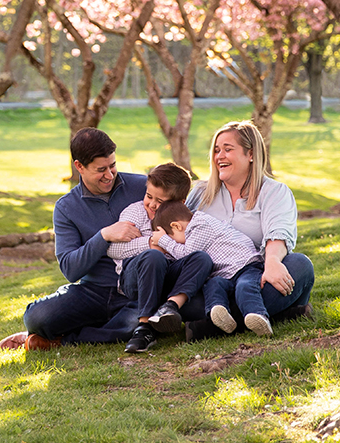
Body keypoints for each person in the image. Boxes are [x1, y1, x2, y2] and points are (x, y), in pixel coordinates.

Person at [0, 128, 198, 350]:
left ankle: (61, 340)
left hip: (138, 288)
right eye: (100, 170)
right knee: (37, 318)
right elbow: (70, 270)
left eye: (112, 166)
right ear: (79, 167)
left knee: (138, 324)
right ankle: (77, 327)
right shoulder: (66, 208)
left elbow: (180, 218)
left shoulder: (143, 187)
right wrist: (104, 235)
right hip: (94, 291)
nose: (110, 175)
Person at [184, 121, 314, 336]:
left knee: (300, 265)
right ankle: (273, 314)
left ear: (250, 154)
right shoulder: (200, 192)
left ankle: (208, 324)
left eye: (228, 149)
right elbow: (178, 230)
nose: (219, 156)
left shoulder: (274, 191)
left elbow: (278, 233)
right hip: (212, 283)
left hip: (254, 278)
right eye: (216, 150)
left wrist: (272, 263)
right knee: (195, 293)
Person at [106, 163, 214, 353]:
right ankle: (144, 328)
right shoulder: (135, 213)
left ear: (179, 203)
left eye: (161, 201)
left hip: (167, 280)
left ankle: (170, 307)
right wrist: (151, 244)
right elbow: (113, 250)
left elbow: (188, 252)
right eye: (149, 196)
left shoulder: (184, 218)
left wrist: (167, 245)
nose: (152, 204)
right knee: (154, 256)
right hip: (135, 278)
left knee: (202, 258)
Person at [150, 199, 270, 336]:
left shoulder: (200, 225)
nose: (175, 243)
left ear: (176, 226)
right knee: (213, 285)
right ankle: (219, 312)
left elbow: (187, 254)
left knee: (245, 286)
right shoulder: (195, 227)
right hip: (226, 273)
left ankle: (257, 315)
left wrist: (163, 241)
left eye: (173, 238)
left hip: (245, 265)